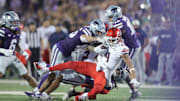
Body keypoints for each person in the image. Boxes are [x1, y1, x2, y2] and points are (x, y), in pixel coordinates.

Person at [29, 19, 106, 100]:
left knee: (62, 75)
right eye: (98, 32)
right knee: (53, 74)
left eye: (100, 33)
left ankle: (44, 93)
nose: (99, 34)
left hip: (69, 54)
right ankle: (39, 92)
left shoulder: (91, 34)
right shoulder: (87, 31)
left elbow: (87, 46)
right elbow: (83, 38)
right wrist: (97, 39)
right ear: (93, 28)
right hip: (61, 49)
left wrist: (100, 45)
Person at [105, 5, 141, 100]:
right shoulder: (123, 18)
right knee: (120, 70)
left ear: (116, 15)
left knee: (122, 70)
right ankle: (134, 90)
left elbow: (114, 38)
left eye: (110, 16)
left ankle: (134, 86)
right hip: (128, 45)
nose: (109, 18)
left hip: (132, 46)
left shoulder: (119, 24)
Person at [0, 11, 38, 90]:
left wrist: (23, 51)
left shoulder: (17, 31)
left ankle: (39, 92)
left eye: (16, 22)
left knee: (27, 75)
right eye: (13, 22)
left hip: (13, 56)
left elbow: (18, 44)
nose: (16, 24)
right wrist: (3, 51)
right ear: (6, 22)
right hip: (2, 56)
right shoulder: (2, 31)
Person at [132, 19, 149, 83]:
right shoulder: (131, 31)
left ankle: (142, 80)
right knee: (134, 66)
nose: (135, 26)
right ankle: (135, 80)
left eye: (136, 25)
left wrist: (143, 47)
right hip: (134, 51)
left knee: (141, 66)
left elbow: (147, 40)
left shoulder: (142, 31)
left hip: (140, 51)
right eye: (134, 25)